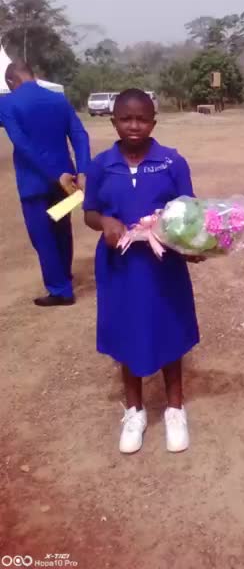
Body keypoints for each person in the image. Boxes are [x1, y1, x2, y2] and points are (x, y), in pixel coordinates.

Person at [83, 88, 201, 454]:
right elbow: (89, 212)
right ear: (113, 121)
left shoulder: (171, 162)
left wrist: (193, 244)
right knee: (126, 330)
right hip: (120, 265)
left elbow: (189, 211)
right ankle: (134, 411)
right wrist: (104, 221)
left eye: (142, 119)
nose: (134, 126)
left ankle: (175, 408)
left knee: (169, 327)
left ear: (153, 122)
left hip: (163, 264)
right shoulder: (101, 165)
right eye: (126, 119)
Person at [0, 60, 90, 306]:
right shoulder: (58, 100)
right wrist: (83, 170)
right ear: (33, 74)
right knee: (61, 228)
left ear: (11, 81)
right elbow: (80, 135)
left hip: (34, 183)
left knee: (42, 235)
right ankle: (64, 275)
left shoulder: (7, 103)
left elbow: (22, 143)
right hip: (67, 181)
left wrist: (52, 173)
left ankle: (60, 290)